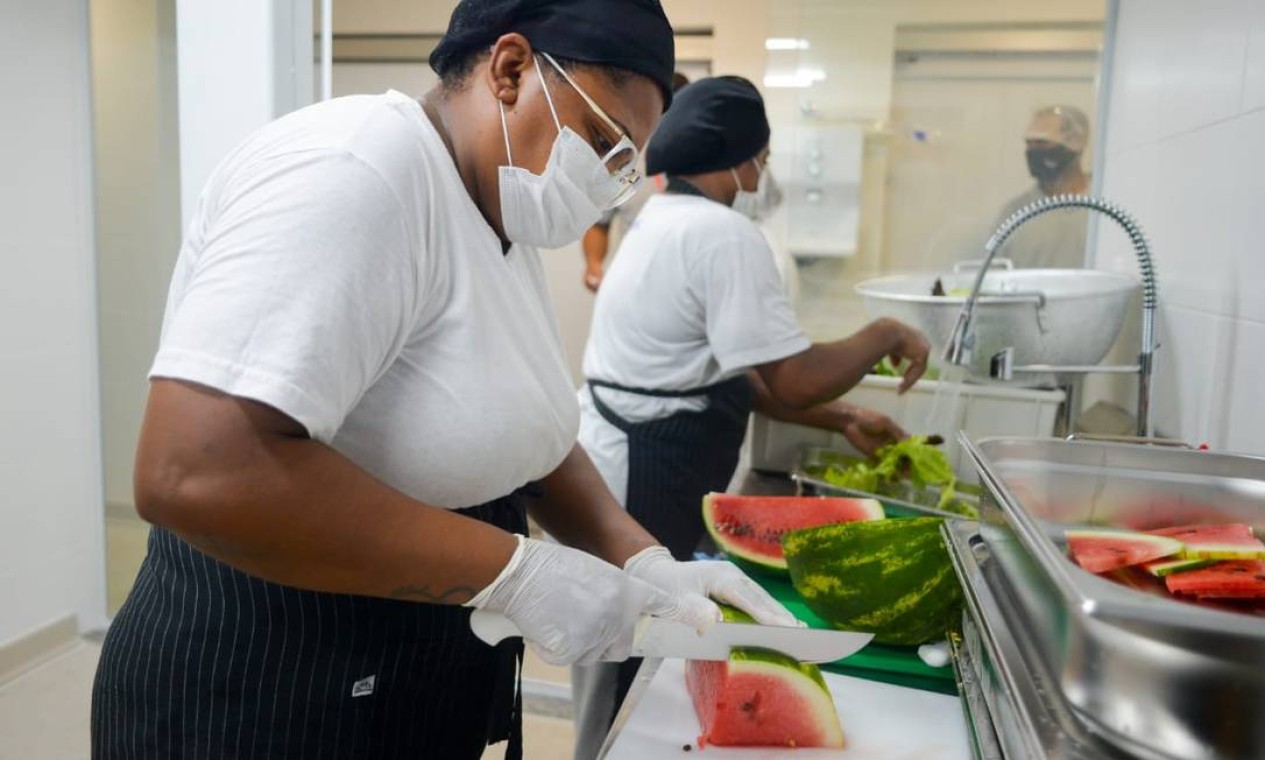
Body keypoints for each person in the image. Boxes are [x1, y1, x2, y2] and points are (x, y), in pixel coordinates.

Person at [89, 3, 796, 758]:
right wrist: (518, 573)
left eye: (625, 159)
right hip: (266, 682)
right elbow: (193, 470)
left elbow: (528, 434)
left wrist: (640, 558)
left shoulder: (496, 212)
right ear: (511, 68)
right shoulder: (353, 169)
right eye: (600, 139)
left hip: (405, 673)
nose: (607, 182)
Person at [569, 76, 931, 760]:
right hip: (649, 470)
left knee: (624, 657)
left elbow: (742, 372)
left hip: (625, 457)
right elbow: (791, 380)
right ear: (733, 156)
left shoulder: (661, 216)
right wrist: (883, 331)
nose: (762, 175)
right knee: (634, 664)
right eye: (760, 159)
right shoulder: (720, 232)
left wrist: (843, 418)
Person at [582, 71, 689, 291]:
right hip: (635, 284)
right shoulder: (626, 160)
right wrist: (594, 266)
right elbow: (599, 225)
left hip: (690, 285)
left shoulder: (706, 163)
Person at [995, 104, 1093, 269]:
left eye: (1042, 143)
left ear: (1076, 144)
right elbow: (993, 275)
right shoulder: (1015, 213)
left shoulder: (1103, 208)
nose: (1034, 152)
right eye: (1029, 144)